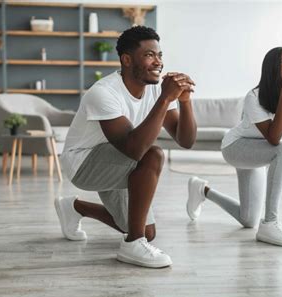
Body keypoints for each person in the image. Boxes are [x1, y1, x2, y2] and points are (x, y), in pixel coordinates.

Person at [55, 26, 196, 268]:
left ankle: (75, 207)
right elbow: (134, 150)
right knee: (152, 154)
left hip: (117, 160)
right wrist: (164, 99)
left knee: (148, 231)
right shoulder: (103, 93)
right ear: (127, 59)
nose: (158, 62)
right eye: (149, 55)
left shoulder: (154, 90)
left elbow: (186, 140)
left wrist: (184, 101)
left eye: (160, 55)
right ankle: (132, 244)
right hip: (84, 164)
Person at [186, 47, 282, 247]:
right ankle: (270, 223)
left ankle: (203, 190)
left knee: (249, 220)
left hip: (261, 151)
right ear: (271, 67)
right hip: (236, 147)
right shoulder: (255, 96)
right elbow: (274, 139)